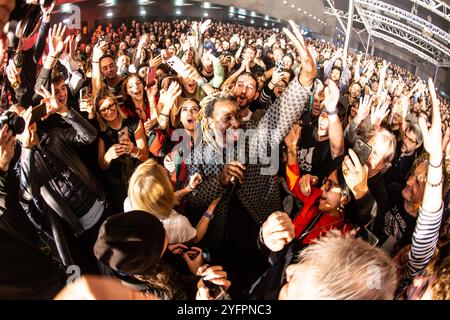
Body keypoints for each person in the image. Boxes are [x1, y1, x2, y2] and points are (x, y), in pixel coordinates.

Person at [186, 21, 318, 298]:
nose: (236, 121)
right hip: (221, 238)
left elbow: (278, 119)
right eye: (227, 118)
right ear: (209, 123)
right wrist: (220, 180)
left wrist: (305, 78)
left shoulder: (250, 135)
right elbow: (193, 200)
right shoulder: (197, 151)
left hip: (261, 232)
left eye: (237, 114)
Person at [95, 89, 148, 213]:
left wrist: (134, 150)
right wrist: (108, 157)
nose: (109, 111)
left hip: (138, 177)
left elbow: (145, 156)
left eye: (111, 105)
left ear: (116, 104)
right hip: (118, 185)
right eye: (103, 109)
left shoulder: (133, 122)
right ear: (99, 113)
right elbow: (102, 165)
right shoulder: (102, 133)